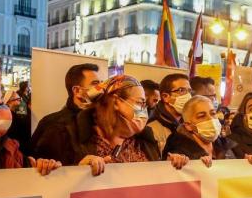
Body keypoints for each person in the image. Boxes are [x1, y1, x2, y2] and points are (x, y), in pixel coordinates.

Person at [40, 75, 190, 176]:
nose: (144, 110)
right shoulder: (65, 134)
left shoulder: (147, 141)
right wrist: (77, 171)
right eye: (139, 103)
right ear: (117, 102)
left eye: (145, 104)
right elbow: (47, 186)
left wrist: (170, 166)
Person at [164, 95, 252, 166]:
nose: (210, 119)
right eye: (201, 116)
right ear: (188, 126)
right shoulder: (178, 151)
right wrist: (177, 163)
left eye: (212, 113)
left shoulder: (229, 145)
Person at [29, 62, 101, 154]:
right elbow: (35, 161)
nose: (100, 88)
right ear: (77, 91)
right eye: (95, 84)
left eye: (101, 83)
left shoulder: (101, 121)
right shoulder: (52, 124)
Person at [148, 73, 191, 153]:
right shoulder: (151, 129)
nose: (188, 96)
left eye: (189, 91)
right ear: (165, 97)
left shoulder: (189, 125)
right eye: (181, 90)